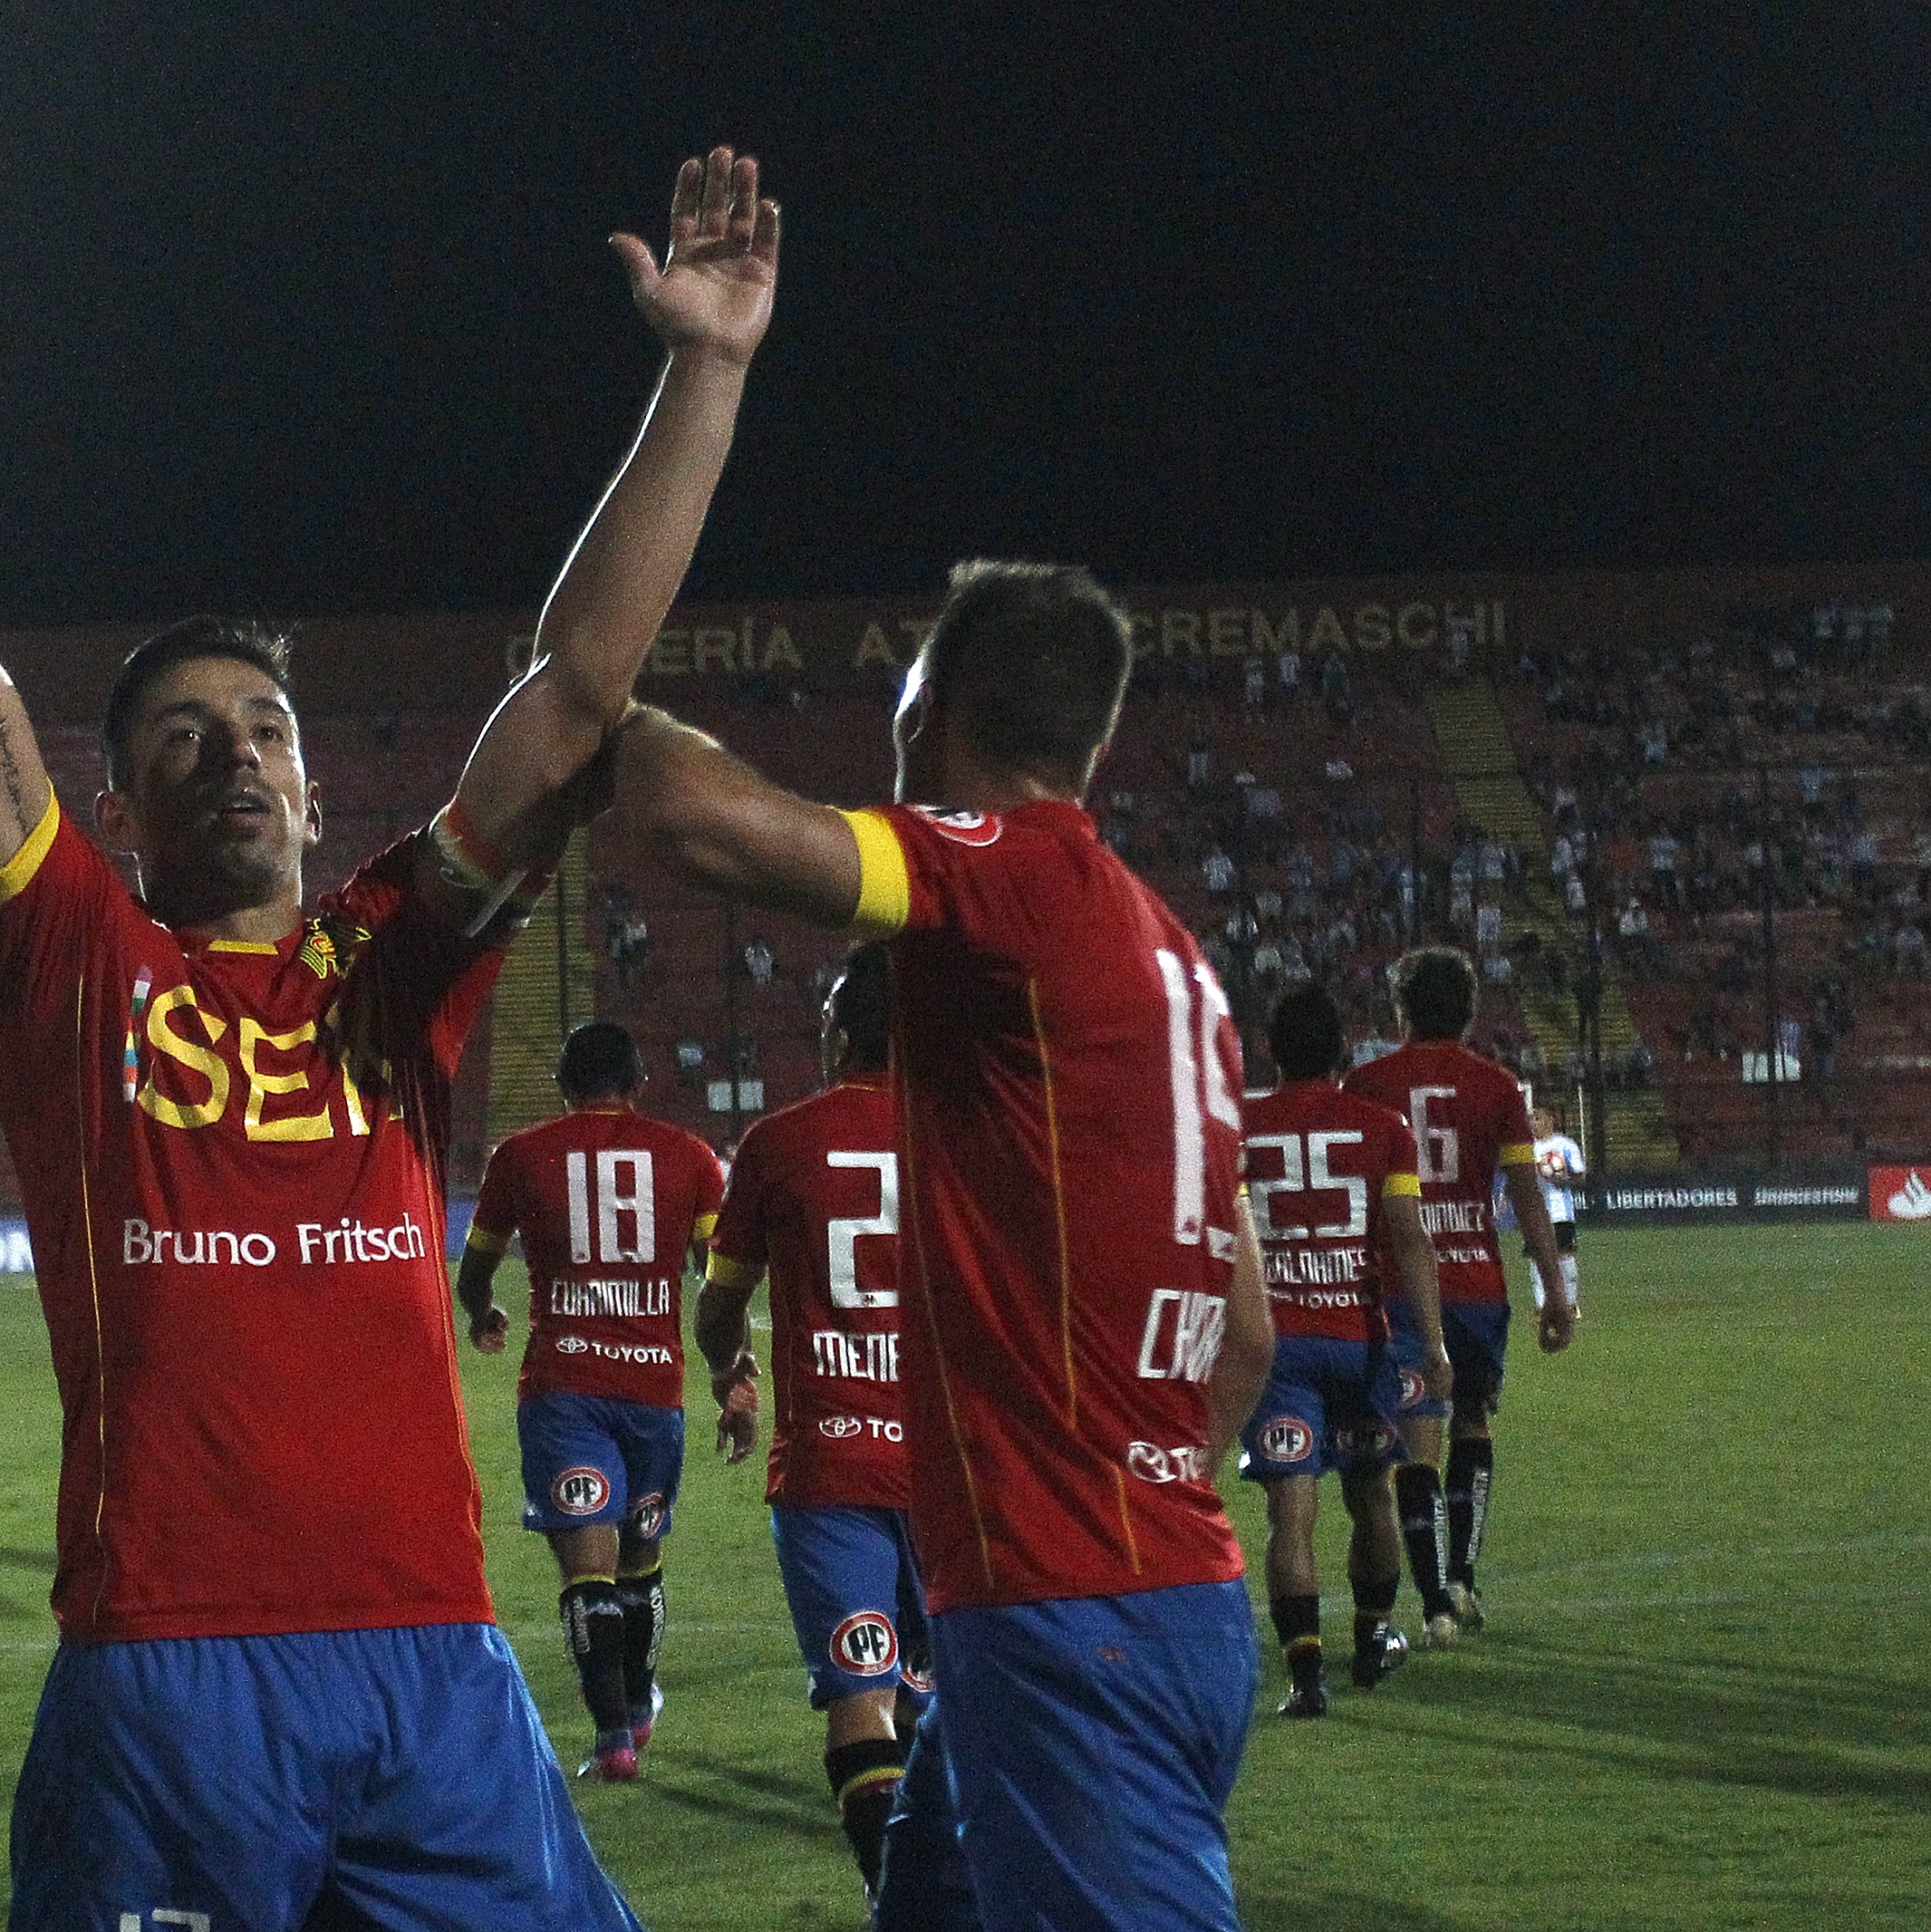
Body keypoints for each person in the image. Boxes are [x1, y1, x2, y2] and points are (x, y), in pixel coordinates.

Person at [0, 87, 777, 1925]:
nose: (234, 756)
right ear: (126, 811)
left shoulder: (399, 959)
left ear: (314, 794)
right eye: (183, 741)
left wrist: (701, 375)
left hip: (432, 1668)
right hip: (168, 1675)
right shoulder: (77, 959)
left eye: (267, 732)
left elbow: (578, 691)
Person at [610, 561, 1276, 1931]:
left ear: (934, 715)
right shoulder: (1178, 968)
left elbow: (697, 823)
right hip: (1153, 1590)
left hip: (1063, 1618)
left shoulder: (1006, 877)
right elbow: (1248, 1335)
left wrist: (592, 696)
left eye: (903, 717)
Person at [693, 943, 925, 1897]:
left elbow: (719, 1302)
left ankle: (893, 1896)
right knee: (942, 1697)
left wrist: (729, 1364)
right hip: (954, 1469)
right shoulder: (972, 1132)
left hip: (831, 1468)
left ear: (836, 1034)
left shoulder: (779, 1142)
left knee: (858, 1691)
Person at [454, 1020, 725, 1782]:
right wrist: (731, 1368)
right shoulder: (691, 1158)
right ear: (640, 1082)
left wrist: (483, 1314)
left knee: (587, 1571)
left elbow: (474, 1271)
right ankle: (637, 1707)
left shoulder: (521, 1157)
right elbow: (720, 1287)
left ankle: (613, 1738)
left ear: (564, 1087)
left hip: (563, 1389)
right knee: (641, 1561)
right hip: (654, 1392)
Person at [1347, 948, 1575, 1641]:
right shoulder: (1499, 1087)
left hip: (1400, 1290)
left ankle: (1434, 1606)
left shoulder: (1366, 1082)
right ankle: (1461, 1582)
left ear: (1402, 1010)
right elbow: (1528, 1197)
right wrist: (1554, 1290)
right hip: (1476, 1284)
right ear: (1470, 1011)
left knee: (1419, 1440)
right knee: (1472, 1423)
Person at [1239, 985, 1450, 1718]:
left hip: (1277, 1347)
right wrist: (1436, 1344)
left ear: (1270, 1048)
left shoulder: (1238, 1127)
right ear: (1341, 1051)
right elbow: (1409, 1239)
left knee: (1289, 1516)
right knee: (1371, 1497)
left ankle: (1304, 1678)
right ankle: (1372, 1639)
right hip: (1359, 1344)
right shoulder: (1383, 1128)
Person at [1526, 1104, 1587, 1314]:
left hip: (1561, 1212)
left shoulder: (1565, 1145)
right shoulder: (1528, 1148)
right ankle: (1541, 1307)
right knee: (1536, 1257)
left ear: (1551, 1120)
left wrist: (1561, 1180)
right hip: (1536, 1212)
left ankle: (1570, 1304)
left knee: (1564, 1255)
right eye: (1532, 1120)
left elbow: (1580, 1176)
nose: (1534, 1124)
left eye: (1538, 1119)